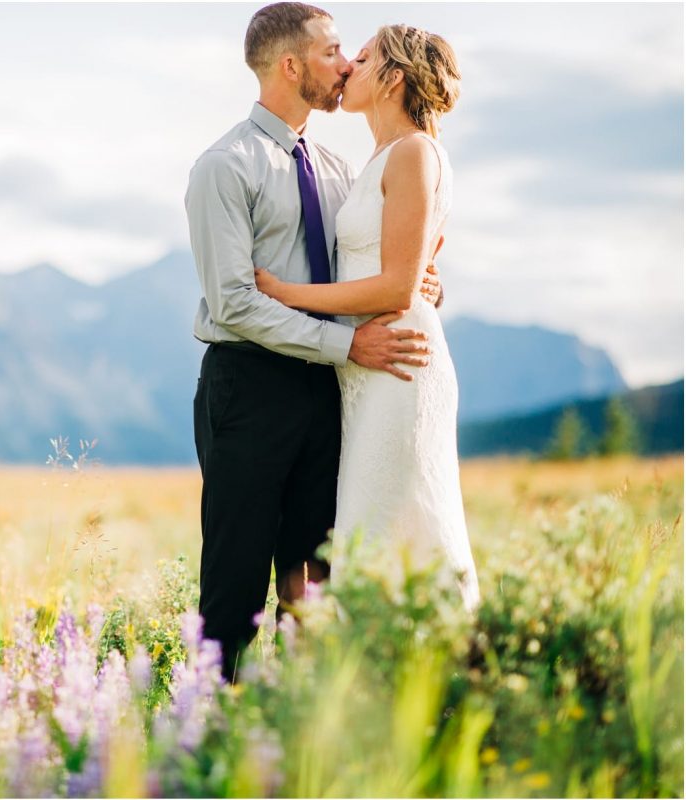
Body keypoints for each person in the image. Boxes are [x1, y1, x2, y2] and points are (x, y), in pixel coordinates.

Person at [184, 2, 443, 682]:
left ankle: (302, 729)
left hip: (330, 395)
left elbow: (375, 267)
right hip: (248, 389)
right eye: (333, 52)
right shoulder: (224, 167)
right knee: (235, 581)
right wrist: (344, 347)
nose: (348, 64)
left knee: (314, 580)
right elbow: (234, 303)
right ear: (291, 64)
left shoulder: (337, 167)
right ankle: (209, 734)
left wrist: (419, 285)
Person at [253, 23, 480, 611]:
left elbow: (400, 286)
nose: (348, 67)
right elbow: (417, 262)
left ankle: (427, 670)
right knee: (375, 520)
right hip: (367, 368)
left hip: (397, 363)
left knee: (388, 521)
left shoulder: (411, 152)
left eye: (363, 57)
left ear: (393, 78)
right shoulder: (386, 157)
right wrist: (425, 275)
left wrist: (286, 292)